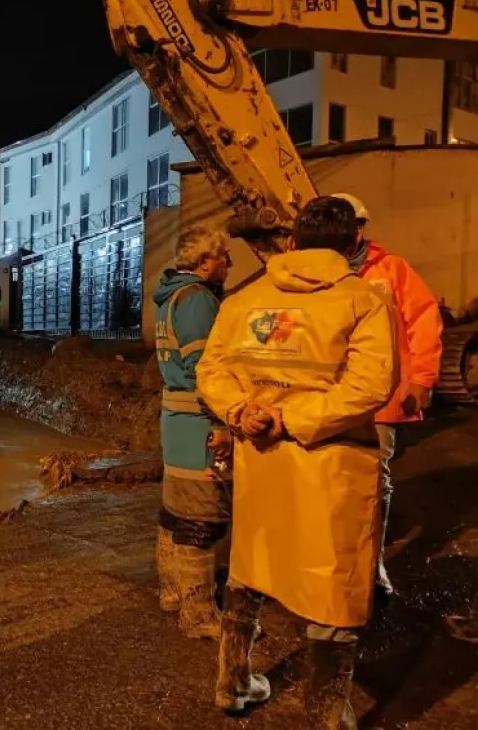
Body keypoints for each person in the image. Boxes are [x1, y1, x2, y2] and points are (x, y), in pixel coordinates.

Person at [196, 196, 398, 727]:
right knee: (334, 583)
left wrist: (242, 411)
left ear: (291, 241)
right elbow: (370, 387)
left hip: (260, 463)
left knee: (251, 567)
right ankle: (328, 714)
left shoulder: (244, 300)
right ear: (353, 244)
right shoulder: (364, 301)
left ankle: (233, 682)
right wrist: (296, 418)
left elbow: (212, 370)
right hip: (330, 467)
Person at [332, 192, 443, 596]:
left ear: (362, 228)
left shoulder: (392, 270)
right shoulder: (314, 270)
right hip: (327, 400)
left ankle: (370, 567)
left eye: (356, 224)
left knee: (374, 484)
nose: (351, 232)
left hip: (378, 401)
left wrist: (422, 380)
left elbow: (423, 320)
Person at [151, 224, 233, 640]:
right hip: (199, 421)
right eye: (223, 258)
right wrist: (222, 422)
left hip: (174, 421)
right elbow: (206, 371)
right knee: (201, 515)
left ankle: (171, 592)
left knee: (174, 511)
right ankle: (198, 613)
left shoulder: (169, 298)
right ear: (204, 262)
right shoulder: (199, 301)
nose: (229, 265)